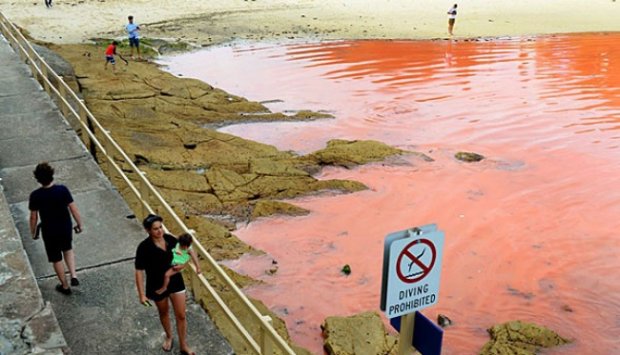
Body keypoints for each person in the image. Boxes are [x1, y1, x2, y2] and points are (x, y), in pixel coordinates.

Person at [135, 214, 195, 355]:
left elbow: (187, 251)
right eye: (155, 229)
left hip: (175, 281)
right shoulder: (143, 248)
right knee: (164, 312)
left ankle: (183, 345)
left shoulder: (170, 239)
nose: (160, 231)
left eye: (160, 227)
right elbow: (138, 271)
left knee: (181, 315)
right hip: (156, 285)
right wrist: (142, 294)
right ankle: (169, 336)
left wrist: (183, 265)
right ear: (148, 230)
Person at [29, 162, 83, 295]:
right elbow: (73, 208)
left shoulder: (35, 195)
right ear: (52, 175)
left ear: (38, 179)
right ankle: (73, 275)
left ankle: (64, 286)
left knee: (56, 258)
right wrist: (79, 223)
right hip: (65, 226)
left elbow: (33, 217)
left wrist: (33, 232)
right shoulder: (62, 190)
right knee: (68, 249)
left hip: (49, 230)